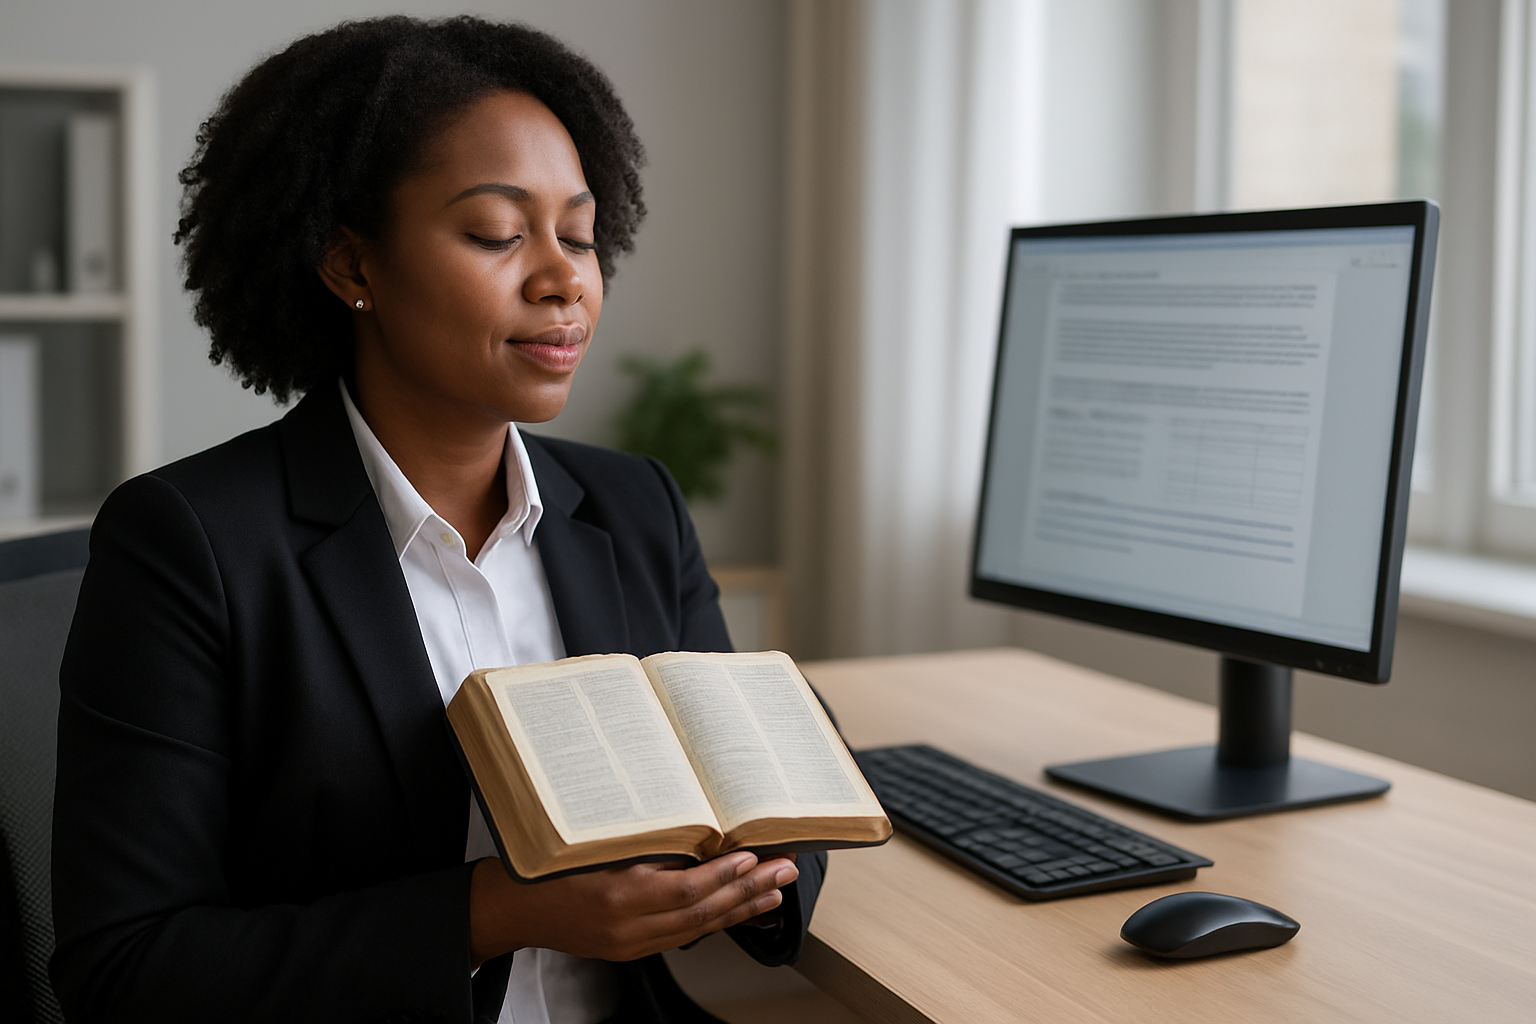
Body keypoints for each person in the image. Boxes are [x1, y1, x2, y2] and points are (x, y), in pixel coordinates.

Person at [50, 16, 822, 1024]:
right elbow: (128, 968)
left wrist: (753, 884)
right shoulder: (188, 542)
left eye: (580, 234)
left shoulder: (635, 507)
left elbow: (764, 782)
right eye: (499, 233)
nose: (564, 279)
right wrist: (488, 912)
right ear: (350, 265)